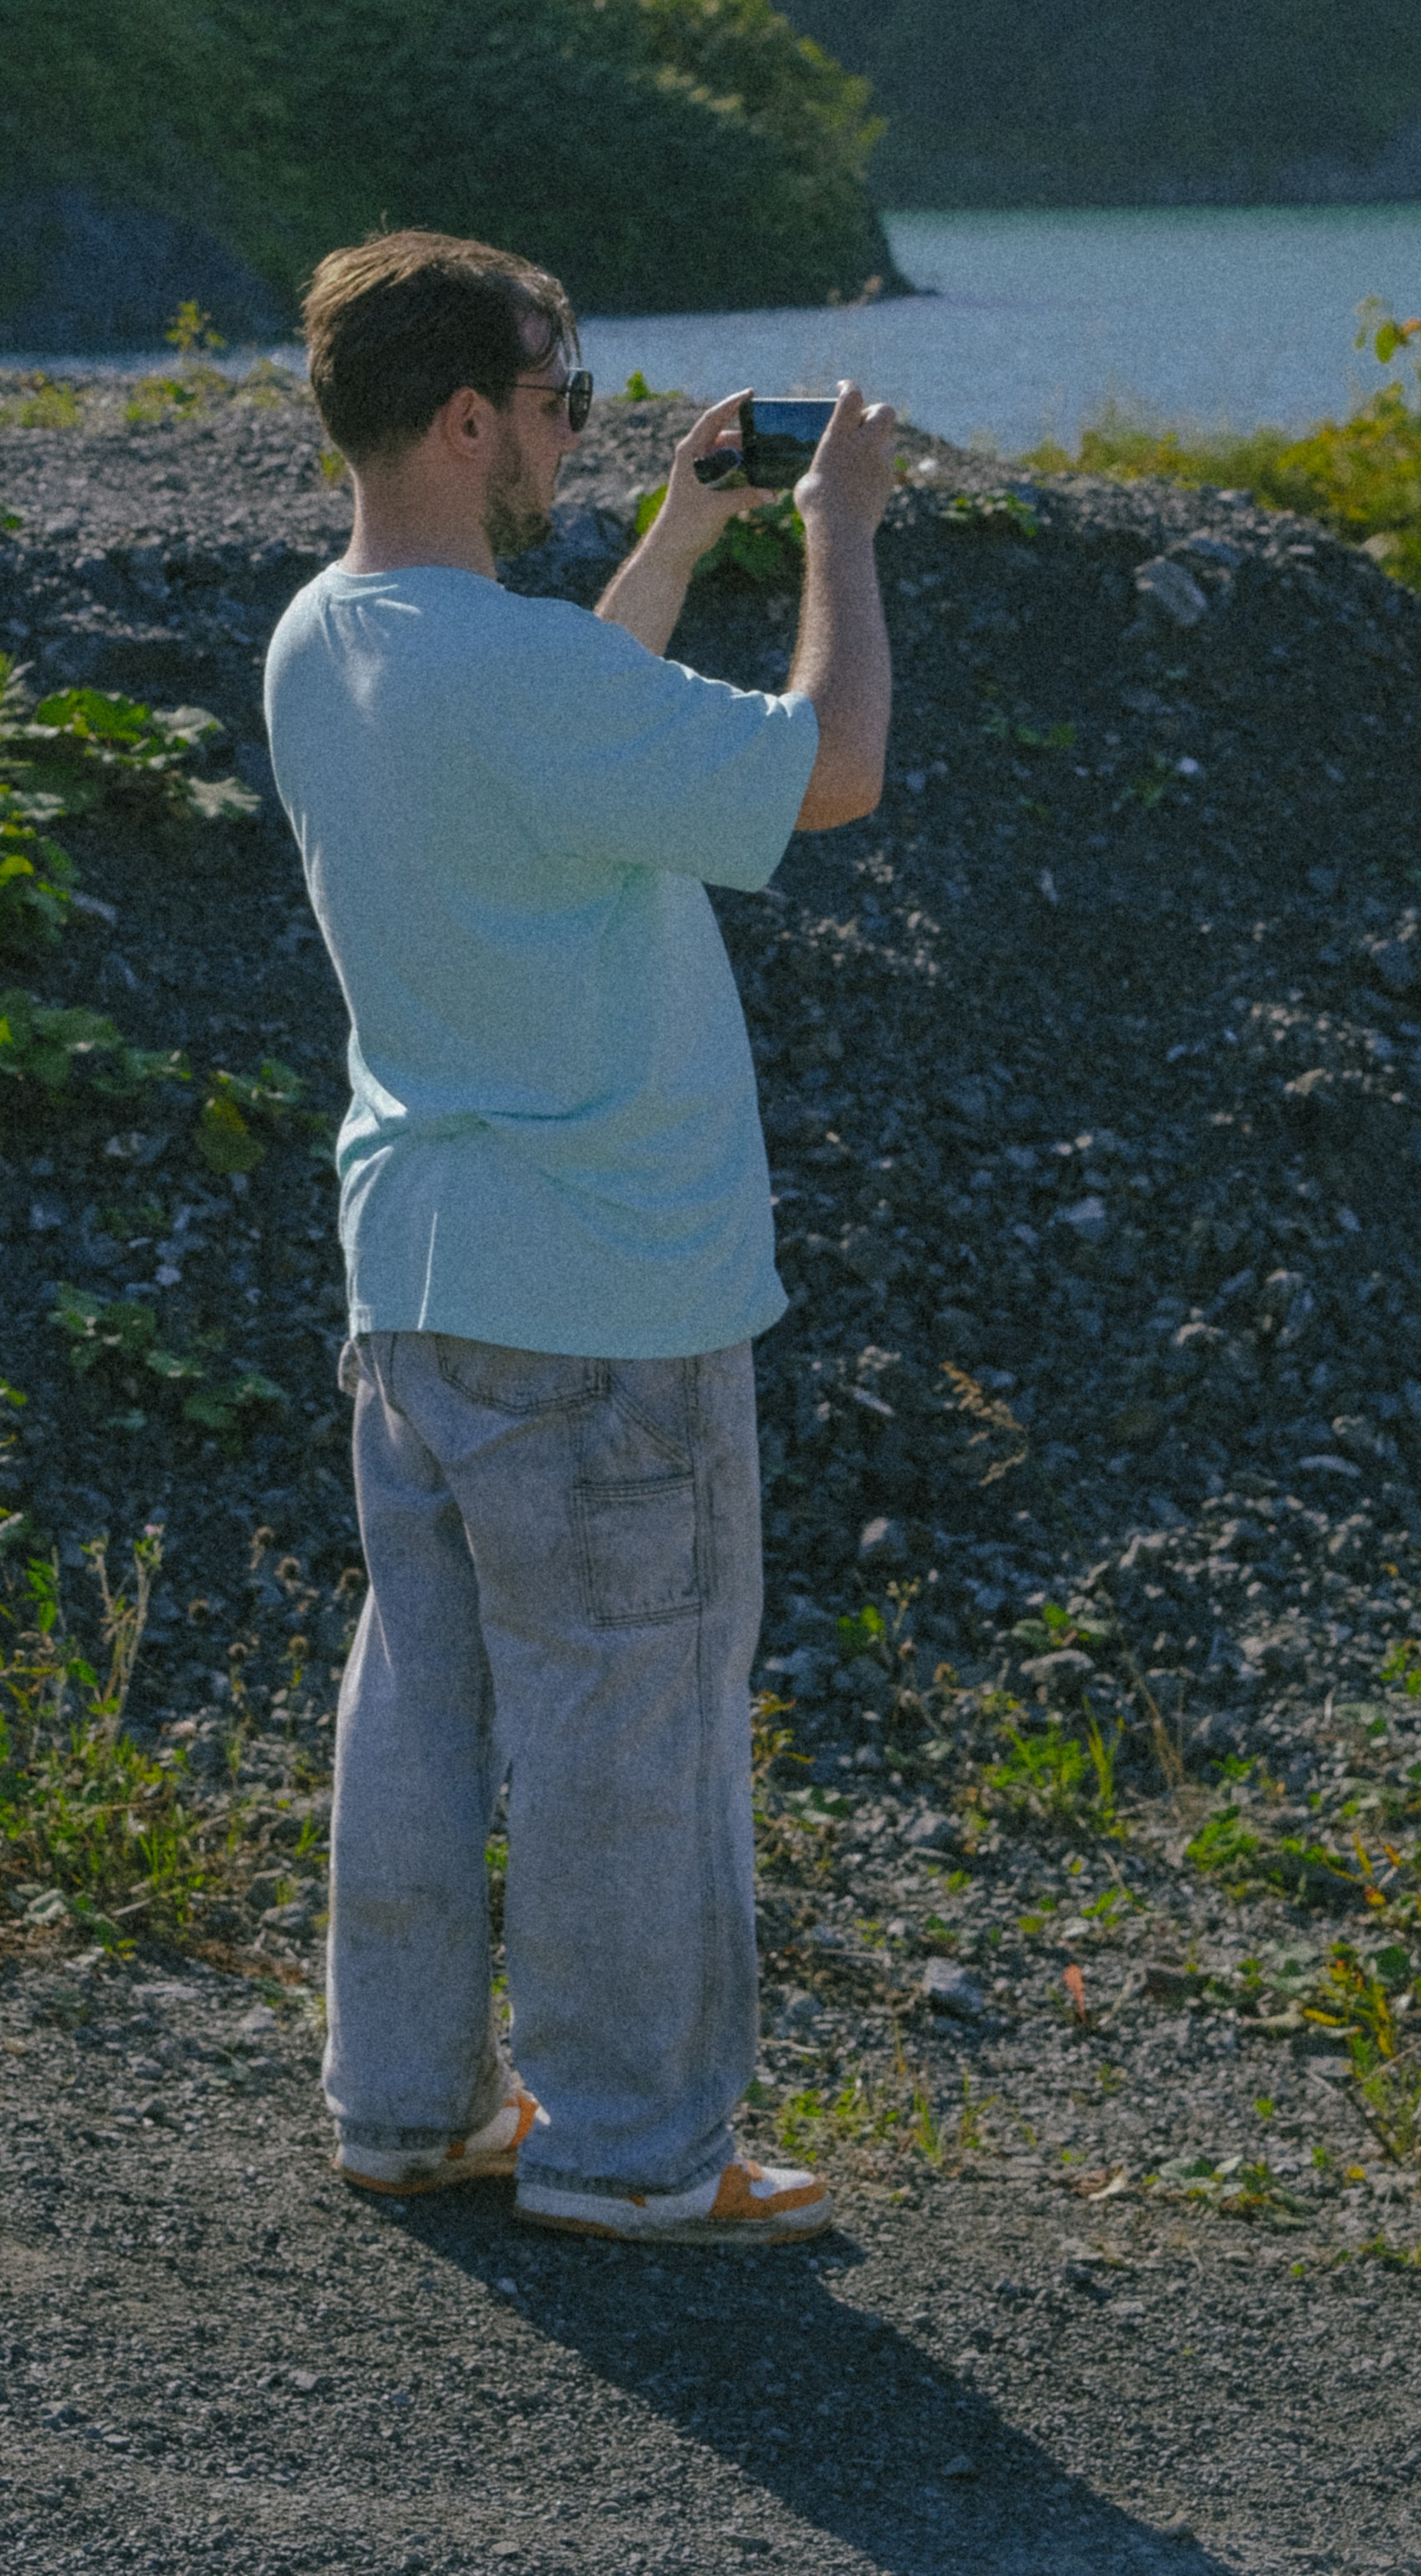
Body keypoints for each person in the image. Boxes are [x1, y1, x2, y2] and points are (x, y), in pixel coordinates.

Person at [262, 229, 895, 2247]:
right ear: (466, 420)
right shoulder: (510, 672)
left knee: (424, 1708)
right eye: (559, 403)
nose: (574, 435)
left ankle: (408, 2105)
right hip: (606, 1279)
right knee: (632, 1727)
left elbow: (567, 721)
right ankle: (635, 2150)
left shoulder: (327, 636)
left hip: (420, 1267)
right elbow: (833, 771)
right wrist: (837, 534)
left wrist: (684, 530)